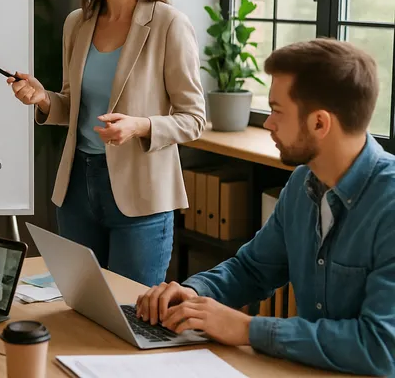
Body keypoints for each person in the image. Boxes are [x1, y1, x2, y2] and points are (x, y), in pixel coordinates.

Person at [136, 39, 395, 376]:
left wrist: (247, 329)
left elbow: (381, 347)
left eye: (277, 111)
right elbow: (252, 269)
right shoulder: (304, 183)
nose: (268, 123)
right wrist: (192, 294)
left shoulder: (388, 205)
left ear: (319, 123)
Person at [7, 0, 205, 286]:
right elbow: (73, 104)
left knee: (132, 316)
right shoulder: (76, 23)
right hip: (79, 189)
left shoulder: (169, 24)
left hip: (141, 195)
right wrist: (42, 99)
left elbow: (194, 119)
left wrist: (140, 125)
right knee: (80, 310)